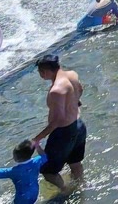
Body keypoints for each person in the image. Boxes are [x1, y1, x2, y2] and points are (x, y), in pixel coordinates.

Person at [31, 53, 86, 195]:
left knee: (48, 171)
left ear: (47, 70)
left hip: (64, 133)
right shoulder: (72, 75)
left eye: (40, 72)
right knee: (75, 163)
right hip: (79, 125)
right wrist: (74, 101)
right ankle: (81, 187)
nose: (40, 75)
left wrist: (38, 138)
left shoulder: (56, 90)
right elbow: (80, 89)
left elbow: (58, 120)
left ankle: (66, 192)